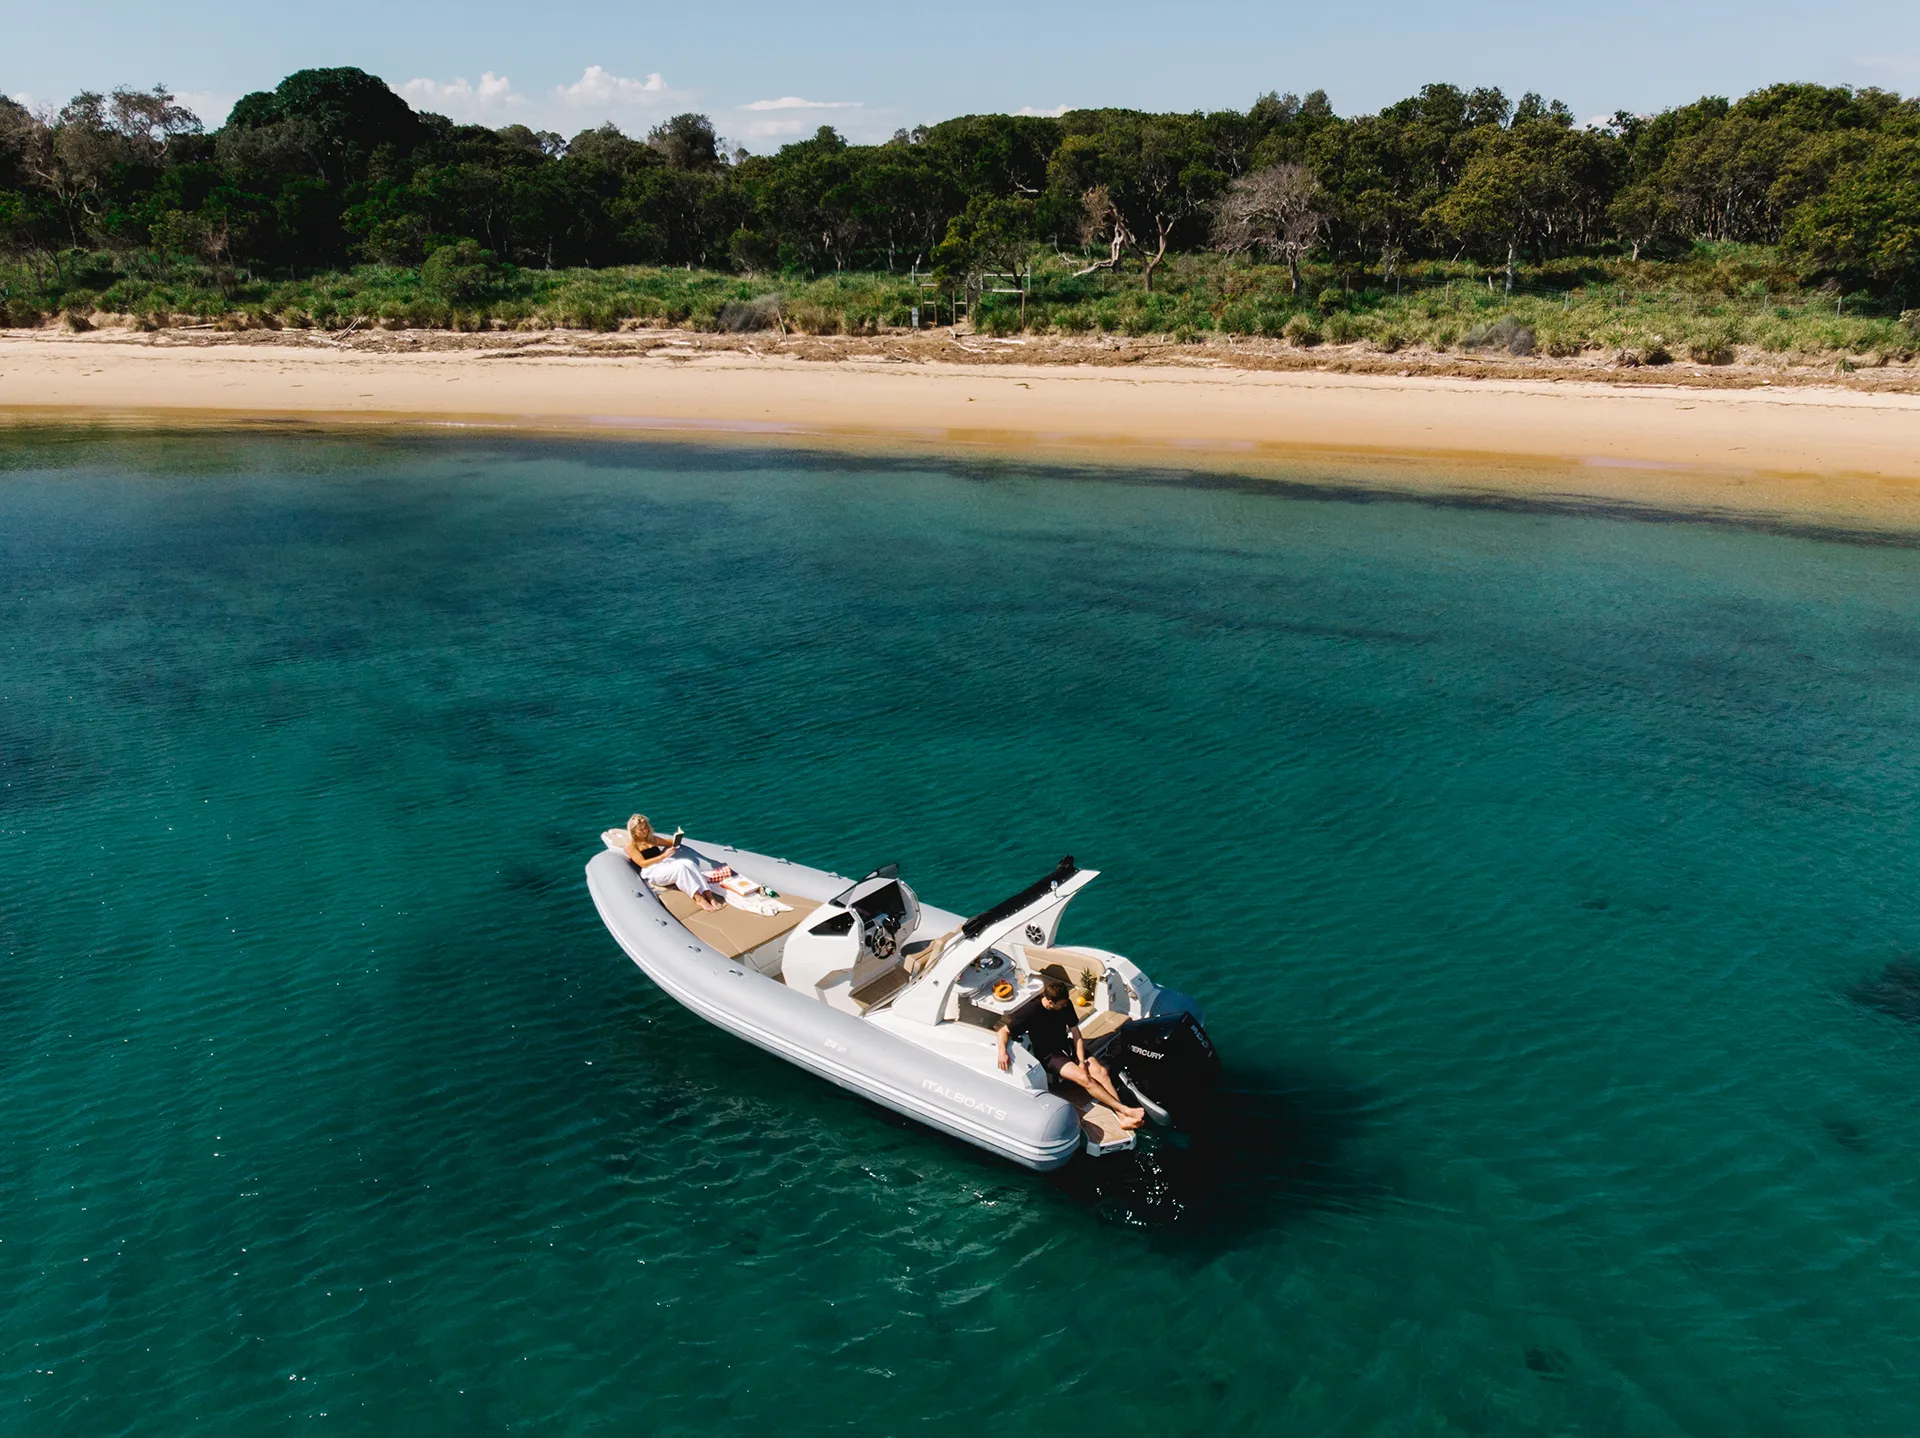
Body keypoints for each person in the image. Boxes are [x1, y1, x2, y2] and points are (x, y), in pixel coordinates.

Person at [996, 978, 1146, 1129]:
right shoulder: (1030, 1012)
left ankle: (1122, 1118)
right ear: (1049, 1001)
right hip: (1050, 1055)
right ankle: (1124, 1109)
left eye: (1065, 1003)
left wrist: (1081, 1061)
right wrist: (1003, 1052)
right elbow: (1004, 1031)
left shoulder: (1065, 1004)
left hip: (1066, 1045)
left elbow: (1075, 1033)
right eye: (1061, 1004)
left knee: (1101, 1073)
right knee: (1084, 1078)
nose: (1065, 1006)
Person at [625, 814, 732, 912]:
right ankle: (698, 898)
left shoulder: (652, 839)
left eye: (646, 827)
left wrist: (677, 838)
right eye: (641, 829)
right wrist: (664, 856)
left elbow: (669, 842)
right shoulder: (632, 846)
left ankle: (709, 895)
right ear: (634, 831)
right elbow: (643, 863)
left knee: (689, 864)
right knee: (681, 868)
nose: (645, 831)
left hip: (664, 864)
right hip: (652, 871)